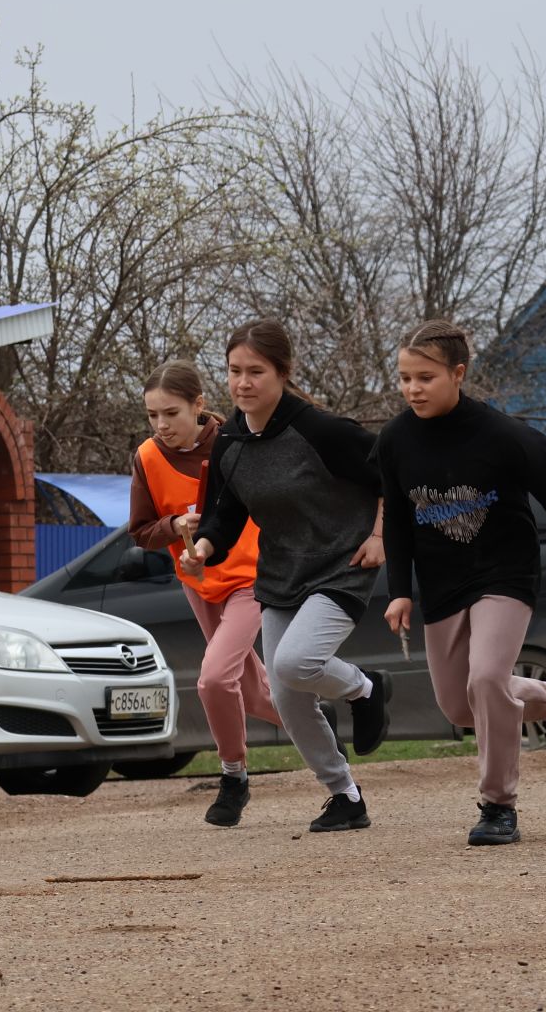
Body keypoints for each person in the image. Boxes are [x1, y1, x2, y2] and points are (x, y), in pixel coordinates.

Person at [375, 320, 546, 846]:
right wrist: (398, 588)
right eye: (404, 378)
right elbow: (398, 521)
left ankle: (498, 805)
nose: (412, 389)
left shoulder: (503, 436)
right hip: (442, 583)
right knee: (460, 705)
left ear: (458, 373)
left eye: (425, 377)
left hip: (504, 574)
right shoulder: (396, 440)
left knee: (488, 678)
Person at [184, 321, 393, 834]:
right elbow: (226, 512)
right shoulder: (230, 438)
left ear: (283, 373)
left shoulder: (321, 430)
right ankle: (345, 795)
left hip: (341, 564)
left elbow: (389, 474)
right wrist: (205, 547)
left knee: (297, 662)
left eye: (256, 371)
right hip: (281, 571)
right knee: (285, 691)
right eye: (235, 371)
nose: (243, 383)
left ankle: (365, 689)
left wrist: (381, 536)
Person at [128, 359, 282, 827]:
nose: (161, 426)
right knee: (253, 695)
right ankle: (321, 723)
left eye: (170, 413)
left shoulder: (239, 440)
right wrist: (172, 526)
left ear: (198, 405)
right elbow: (139, 531)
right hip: (199, 584)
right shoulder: (148, 457)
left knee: (214, 679)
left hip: (252, 578)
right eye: (152, 415)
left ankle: (233, 777)